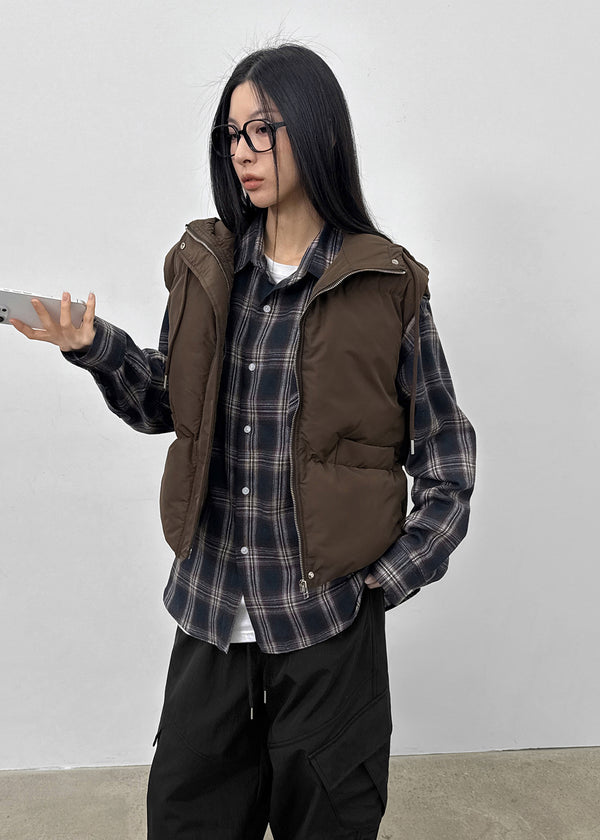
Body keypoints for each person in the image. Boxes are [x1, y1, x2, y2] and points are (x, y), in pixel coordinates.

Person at [12, 43, 476, 840]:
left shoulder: (388, 285)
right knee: (186, 817)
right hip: (212, 611)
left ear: (318, 131)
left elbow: (447, 457)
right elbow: (168, 405)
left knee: (327, 822)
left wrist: (382, 583)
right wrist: (93, 346)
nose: (242, 151)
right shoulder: (208, 267)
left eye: (263, 129)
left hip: (327, 624)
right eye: (232, 133)